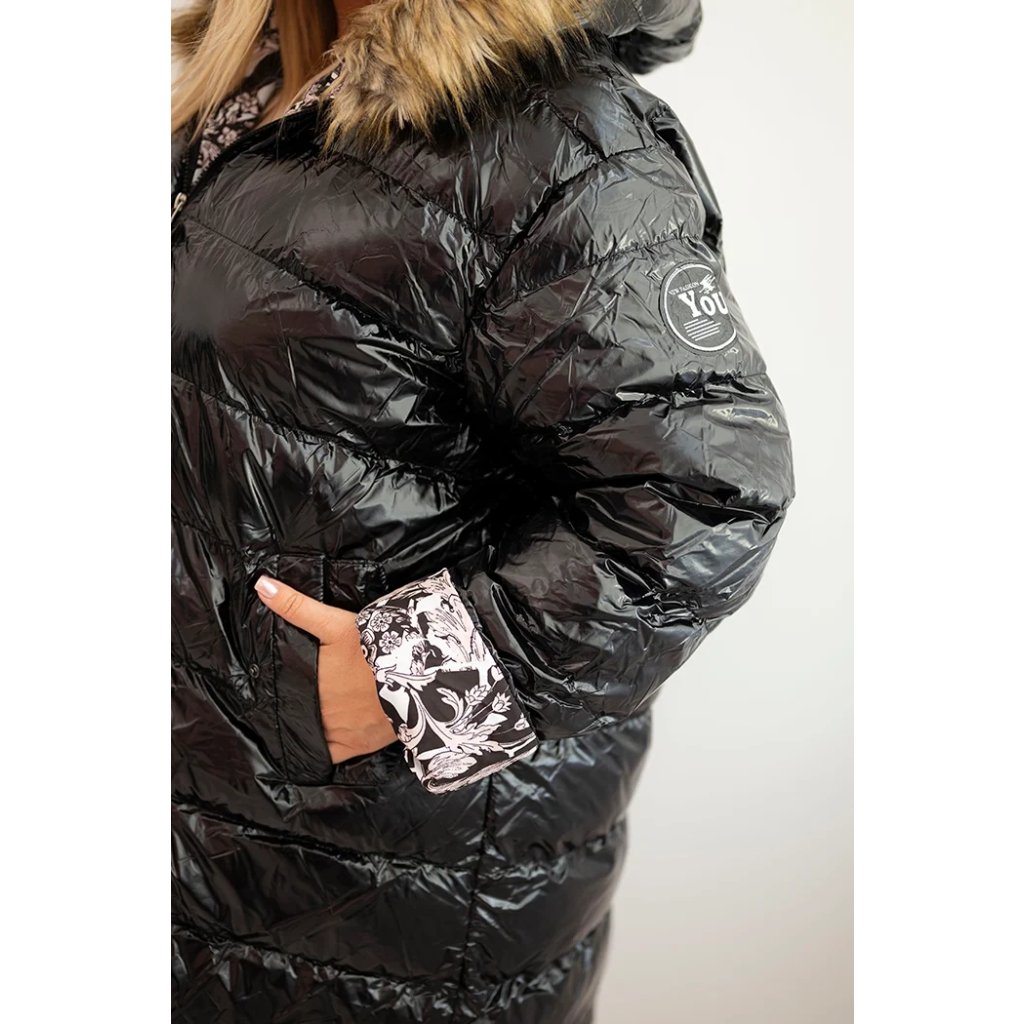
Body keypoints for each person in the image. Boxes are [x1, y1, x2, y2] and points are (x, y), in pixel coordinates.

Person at [170, 0, 797, 1020]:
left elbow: (705, 496)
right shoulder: (252, 94)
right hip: (215, 837)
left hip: (397, 885)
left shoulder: (562, 143)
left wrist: (415, 681)